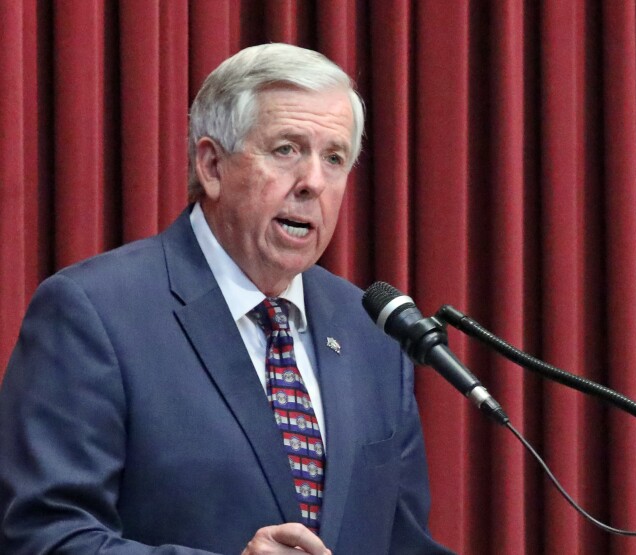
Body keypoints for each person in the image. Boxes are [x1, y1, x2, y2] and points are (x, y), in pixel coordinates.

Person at [0, 43, 454, 555]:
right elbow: (42, 537)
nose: (313, 183)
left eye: (334, 158)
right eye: (286, 149)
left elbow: (404, 543)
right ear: (212, 165)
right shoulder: (93, 312)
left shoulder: (372, 332)